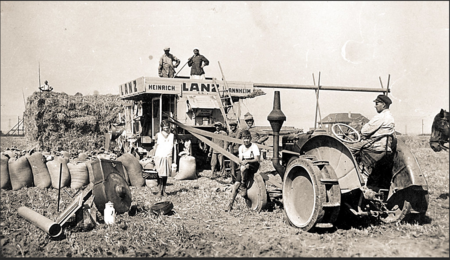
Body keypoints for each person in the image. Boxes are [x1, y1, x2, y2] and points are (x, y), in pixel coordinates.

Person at [348, 94, 396, 186]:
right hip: (385, 146)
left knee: (349, 150)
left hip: (376, 146)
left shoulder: (380, 117)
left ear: (384, 105)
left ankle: (354, 176)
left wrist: (363, 128)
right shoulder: (390, 117)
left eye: (377, 103)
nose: (375, 106)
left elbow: (365, 131)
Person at [226, 129, 261, 212]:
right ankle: (230, 204)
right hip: (244, 167)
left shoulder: (254, 146)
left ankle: (244, 185)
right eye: (245, 138)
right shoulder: (241, 148)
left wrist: (248, 161)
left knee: (245, 167)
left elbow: (257, 159)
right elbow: (240, 160)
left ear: (250, 139)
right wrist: (243, 162)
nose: (246, 140)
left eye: (248, 138)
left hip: (253, 165)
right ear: (242, 139)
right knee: (235, 185)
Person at [153, 120, 176, 197]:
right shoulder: (158, 135)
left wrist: (173, 159)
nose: (166, 128)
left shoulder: (172, 136)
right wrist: (153, 156)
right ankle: (159, 191)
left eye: (167, 127)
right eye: (164, 127)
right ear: (162, 127)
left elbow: (173, 147)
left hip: (168, 156)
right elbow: (155, 146)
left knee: (165, 174)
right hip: (159, 156)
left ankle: (164, 190)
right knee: (159, 174)